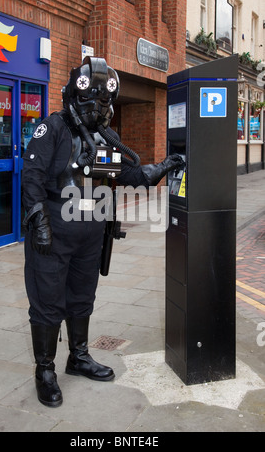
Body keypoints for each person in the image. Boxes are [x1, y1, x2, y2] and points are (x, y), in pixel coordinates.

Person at [22, 56, 184, 407]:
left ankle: (78, 356)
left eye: (104, 101)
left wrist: (166, 165)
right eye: (90, 99)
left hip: (90, 232)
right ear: (73, 96)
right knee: (47, 301)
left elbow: (127, 175)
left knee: (82, 297)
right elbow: (31, 179)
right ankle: (45, 370)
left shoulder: (103, 139)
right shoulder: (52, 129)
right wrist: (39, 223)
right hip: (54, 230)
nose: (98, 108)